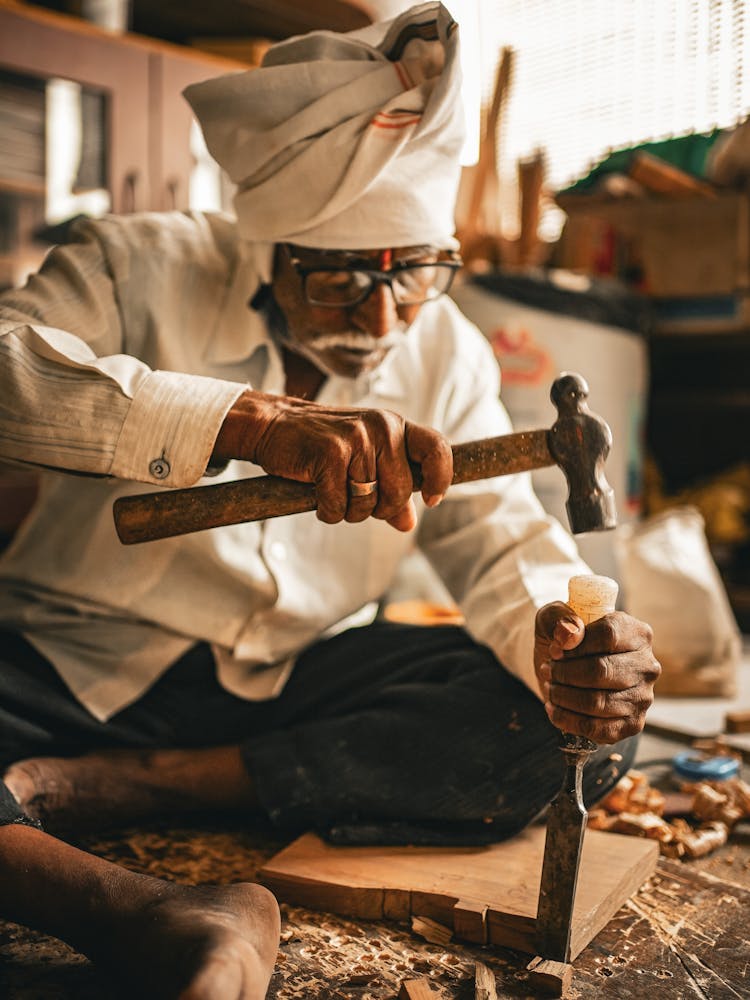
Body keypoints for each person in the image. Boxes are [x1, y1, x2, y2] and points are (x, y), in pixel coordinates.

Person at [0, 4, 660, 998]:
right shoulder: (136, 263)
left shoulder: (443, 352)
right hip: (66, 657)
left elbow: (502, 546)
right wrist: (244, 422)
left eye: (416, 274)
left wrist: (560, 639)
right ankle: (147, 911)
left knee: (565, 731)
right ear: (272, 246)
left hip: (282, 680)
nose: (385, 316)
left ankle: (91, 786)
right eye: (345, 276)